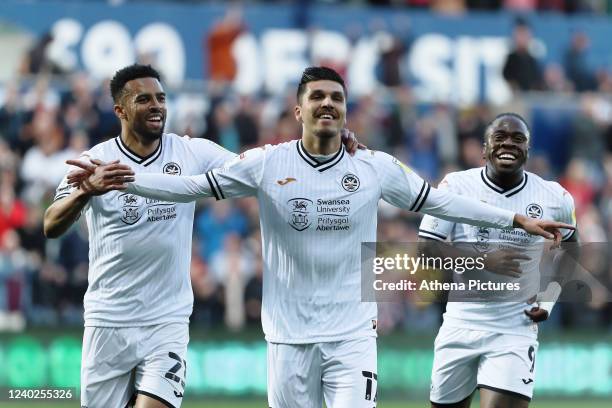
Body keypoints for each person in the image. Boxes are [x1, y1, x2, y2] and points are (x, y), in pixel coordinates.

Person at [70, 67, 572, 408]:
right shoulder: (267, 164)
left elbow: (438, 201)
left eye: (336, 98)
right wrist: (125, 177)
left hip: (352, 335)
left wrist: (515, 221)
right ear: (299, 110)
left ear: (346, 111)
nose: (328, 104)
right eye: (317, 97)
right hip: (286, 337)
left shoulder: (373, 166)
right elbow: (190, 187)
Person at [45, 64, 361, 408]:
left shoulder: (191, 152)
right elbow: (51, 224)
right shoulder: (96, 161)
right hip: (107, 319)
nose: (157, 106)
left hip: (167, 321)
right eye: (144, 99)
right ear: (120, 110)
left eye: (161, 98)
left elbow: (262, 170)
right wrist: (85, 192)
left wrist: (325, 142)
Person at [418, 113, 578, 408]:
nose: (509, 144)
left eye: (518, 139)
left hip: (514, 328)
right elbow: (426, 249)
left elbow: (572, 249)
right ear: (484, 149)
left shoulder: (555, 197)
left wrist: (549, 299)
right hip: (460, 323)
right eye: (499, 137)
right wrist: (484, 262)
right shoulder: (456, 187)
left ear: (528, 150)